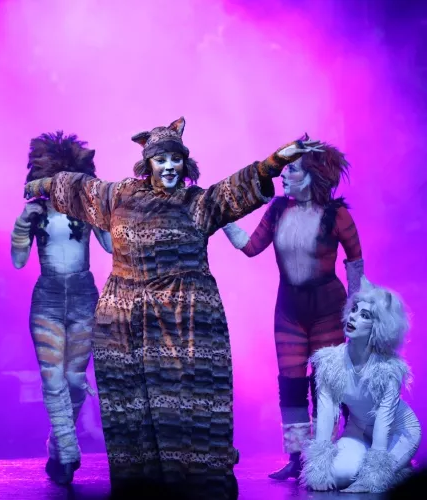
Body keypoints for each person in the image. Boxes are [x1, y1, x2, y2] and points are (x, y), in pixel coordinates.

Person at [23, 116, 324, 498]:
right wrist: (42, 185)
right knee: (133, 413)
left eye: (175, 159)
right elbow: (80, 188)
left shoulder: (196, 203)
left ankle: (197, 485)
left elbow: (235, 190)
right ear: (148, 163)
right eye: (161, 159)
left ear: (185, 163)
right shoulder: (121, 196)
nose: (168, 167)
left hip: (185, 322)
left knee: (187, 408)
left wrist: (276, 161)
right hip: (126, 323)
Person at [220, 137, 363, 479]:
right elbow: (251, 247)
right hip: (289, 312)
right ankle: (297, 458)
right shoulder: (278, 210)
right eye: (284, 169)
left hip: (328, 309)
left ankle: (326, 455)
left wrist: (354, 309)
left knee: (326, 385)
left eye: (292, 169)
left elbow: (355, 260)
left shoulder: (336, 214)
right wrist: (221, 218)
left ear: (312, 176)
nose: (283, 174)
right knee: (291, 385)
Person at [11, 132, 112, 485]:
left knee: (75, 380)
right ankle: (68, 448)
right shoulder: (35, 212)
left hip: (84, 296)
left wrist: (101, 213)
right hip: (48, 299)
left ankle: (57, 445)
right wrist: (22, 224)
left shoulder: (85, 211)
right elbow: (18, 261)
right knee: (52, 378)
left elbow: (111, 246)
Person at [302, 277, 421, 493]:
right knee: (335, 475)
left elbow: (384, 421)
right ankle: (378, 465)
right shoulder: (330, 362)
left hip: (399, 431)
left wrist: (373, 475)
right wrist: (319, 466)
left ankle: (397, 470)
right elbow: (326, 412)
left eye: (365, 315)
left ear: (379, 327)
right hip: (357, 429)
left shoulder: (389, 369)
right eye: (354, 309)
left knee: (374, 478)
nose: (353, 317)